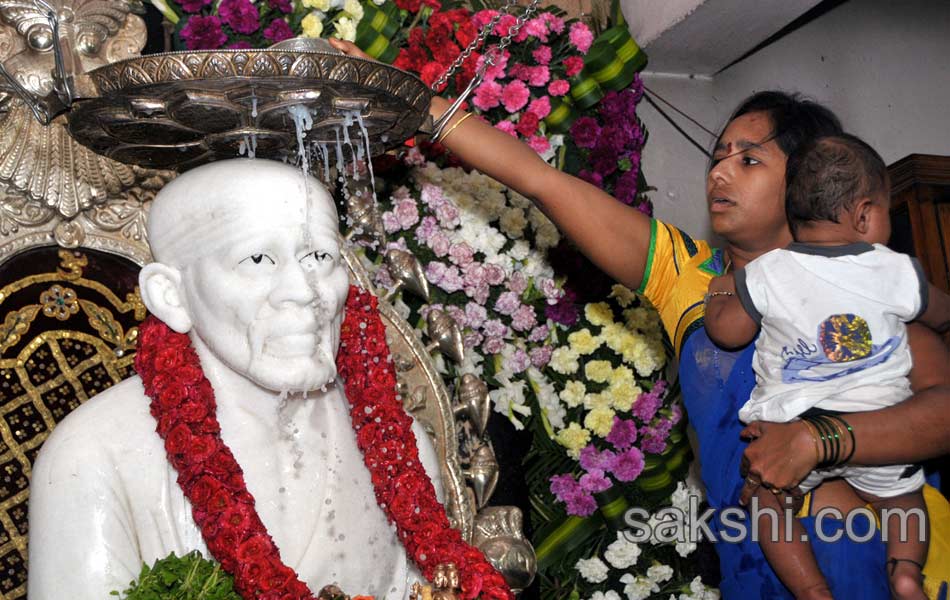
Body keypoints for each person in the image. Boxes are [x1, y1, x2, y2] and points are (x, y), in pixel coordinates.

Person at [330, 34, 950, 600]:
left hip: (876, 555)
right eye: (719, 154)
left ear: (809, 181)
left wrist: (821, 439)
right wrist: (417, 103)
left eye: (750, 158)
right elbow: (541, 183)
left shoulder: (863, 278)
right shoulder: (692, 276)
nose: (720, 169)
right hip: (752, 566)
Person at [27, 159, 446, 599]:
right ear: (171, 296)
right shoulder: (92, 456)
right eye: (259, 259)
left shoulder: (401, 450)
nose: (305, 290)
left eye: (320, 256)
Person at [705, 134, 950, 599]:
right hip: (879, 424)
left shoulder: (766, 271)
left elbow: (727, 331)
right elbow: (940, 312)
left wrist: (722, 289)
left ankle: (813, 590)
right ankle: (904, 572)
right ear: (864, 214)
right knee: (904, 500)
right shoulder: (896, 268)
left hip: (790, 424)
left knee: (767, 505)